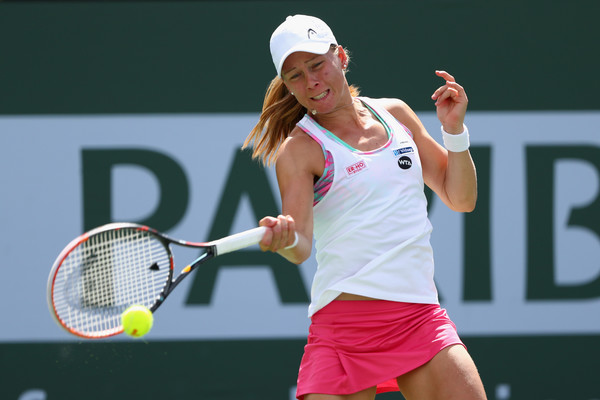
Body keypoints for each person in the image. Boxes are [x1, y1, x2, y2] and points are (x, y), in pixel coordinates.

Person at [243, 14, 487, 400]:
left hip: (418, 317)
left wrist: (455, 132)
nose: (311, 82)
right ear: (286, 87)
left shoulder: (396, 114)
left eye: (317, 65)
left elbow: (461, 198)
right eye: (295, 76)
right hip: (343, 332)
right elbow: (301, 246)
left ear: (340, 56)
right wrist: (286, 237)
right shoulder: (299, 150)